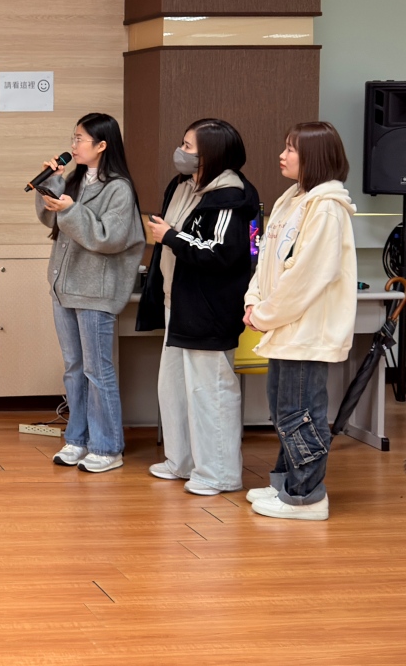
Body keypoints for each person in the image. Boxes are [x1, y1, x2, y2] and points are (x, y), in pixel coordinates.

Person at [137, 119, 259, 496]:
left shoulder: (230, 196)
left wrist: (171, 237)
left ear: (211, 154)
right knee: (173, 387)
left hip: (209, 308)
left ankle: (219, 474)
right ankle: (181, 461)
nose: (182, 151)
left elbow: (220, 252)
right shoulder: (181, 185)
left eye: (189, 146)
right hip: (178, 302)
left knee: (211, 391)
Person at [243, 121, 357, 521]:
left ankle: (307, 496)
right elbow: (267, 261)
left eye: (291, 149)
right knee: (283, 409)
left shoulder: (327, 208)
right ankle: (285, 485)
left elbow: (307, 275)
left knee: (300, 413)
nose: (282, 155)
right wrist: (254, 301)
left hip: (307, 330)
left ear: (315, 157)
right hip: (284, 326)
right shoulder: (292, 198)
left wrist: (265, 313)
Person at [33, 112, 146, 473]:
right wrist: (52, 183)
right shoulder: (76, 181)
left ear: (102, 145)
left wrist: (71, 209)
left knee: (98, 370)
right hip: (64, 288)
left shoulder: (118, 189)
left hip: (95, 291)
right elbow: (51, 219)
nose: (74, 144)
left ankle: (107, 447)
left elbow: (107, 237)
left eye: (80, 139)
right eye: (74, 137)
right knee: (74, 368)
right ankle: (77, 439)